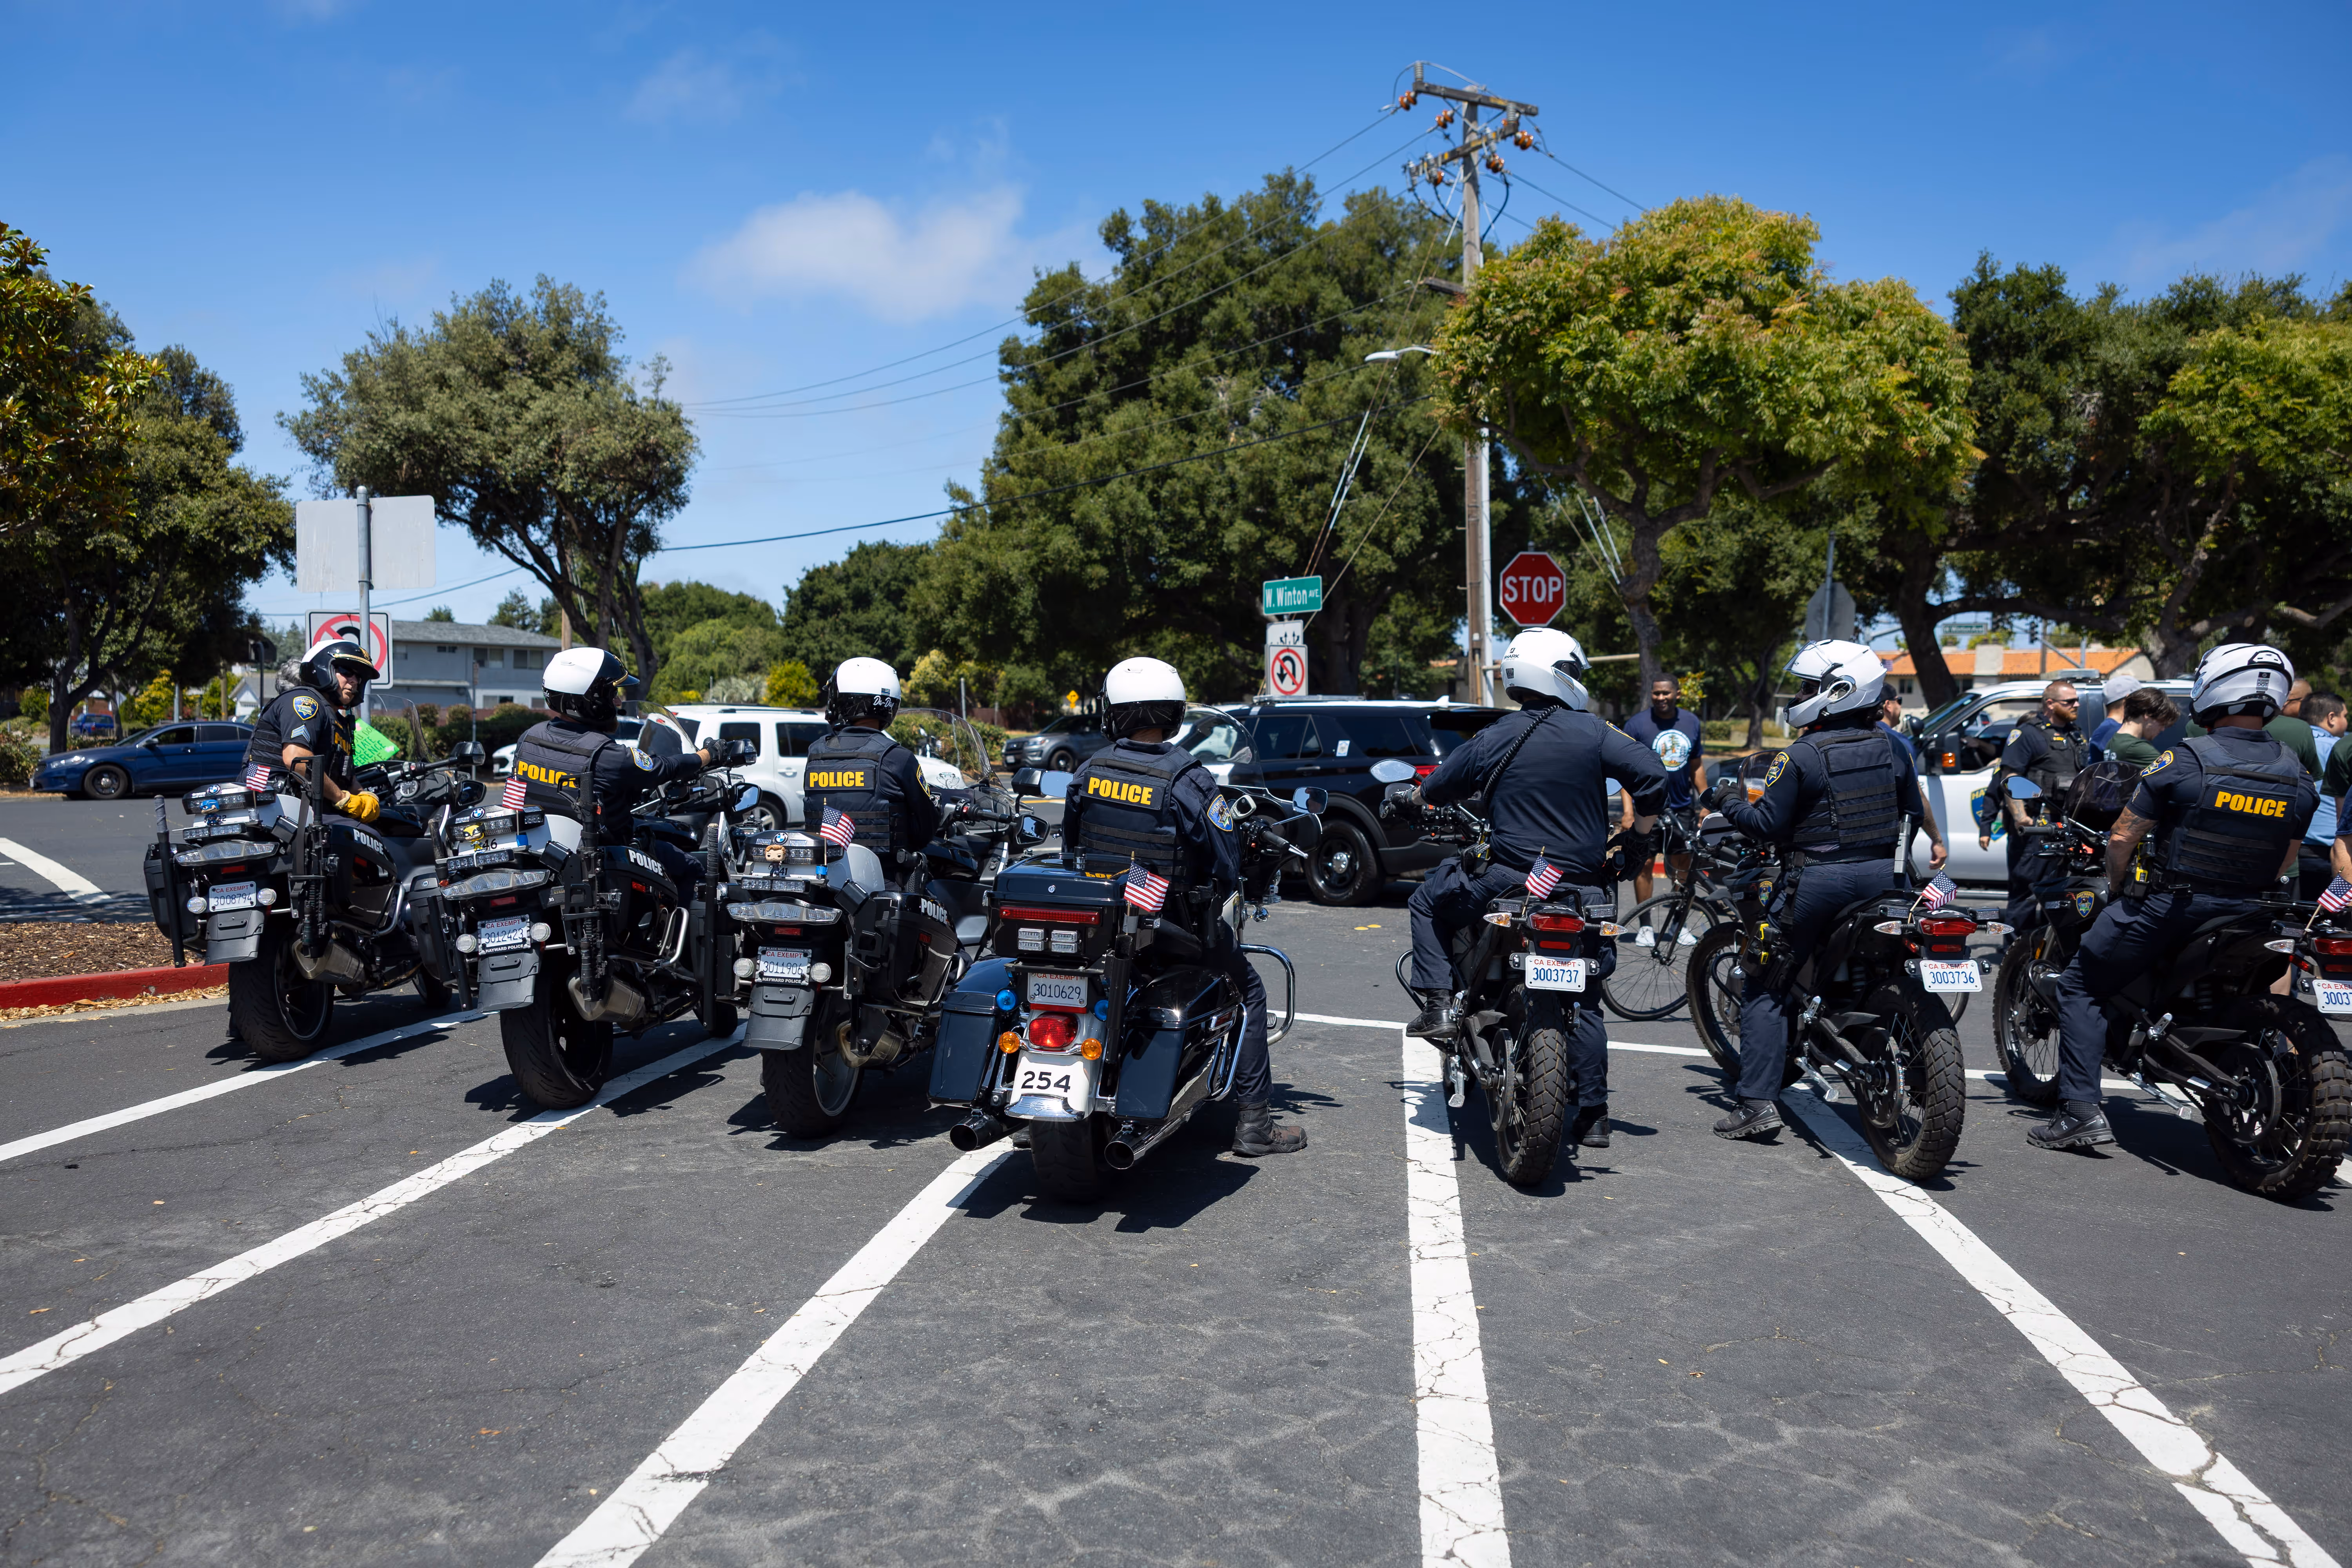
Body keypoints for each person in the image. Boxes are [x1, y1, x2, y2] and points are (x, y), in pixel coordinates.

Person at [2031, 643, 2313, 1151]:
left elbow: (2121, 838)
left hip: (2176, 908)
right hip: (2255, 913)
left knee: (2080, 986)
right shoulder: (2296, 773)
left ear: (2214, 690)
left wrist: (2119, 887)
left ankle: (2079, 1113)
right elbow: (2283, 859)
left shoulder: (2185, 760)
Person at [1405, 628, 1668, 1150]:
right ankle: (1594, 1115)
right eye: (1572, 671)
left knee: (1425, 899)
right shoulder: (1596, 733)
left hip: (1510, 881)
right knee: (1587, 1000)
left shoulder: (1498, 735)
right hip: (1585, 891)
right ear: (1557, 674)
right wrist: (1637, 839)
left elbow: (1436, 788)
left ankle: (1439, 1004)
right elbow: (1654, 777)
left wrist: (1411, 800)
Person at [1704, 639, 1946, 1141]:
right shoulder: (1894, 748)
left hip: (1820, 881)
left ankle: (1756, 1104)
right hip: (1888, 879)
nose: (1800, 694)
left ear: (1839, 690)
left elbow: (1764, 824)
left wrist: (1726, 799)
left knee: (1765, 980)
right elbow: (1911, 815)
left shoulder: (1800, 756)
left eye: (1808, 687)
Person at [1062, 657, 1304, 1157]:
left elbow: (1071, 849)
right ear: (1172, 714)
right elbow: (1226, 859)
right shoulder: (1186, 777)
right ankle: (1255, 1123)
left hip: (1098, 924)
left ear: (1116, 713)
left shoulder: (1090, 770)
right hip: (1168, 929)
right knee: (1251, 990)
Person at [509, 647, 725, 896]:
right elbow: (665, 767)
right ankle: (681, 935)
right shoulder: (607, 755)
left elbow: (515, 799)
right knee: (691, 869)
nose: (619, 702)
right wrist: (708, 755)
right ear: (591, 700)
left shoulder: (529, 739)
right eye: (613, 694)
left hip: (540, 855)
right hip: (601, 857)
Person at [802, 658, 940, 860]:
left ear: (845, 700)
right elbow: (926, 828)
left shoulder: (816, 753)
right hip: (885, 881)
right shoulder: (898, 757)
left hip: (825, 876)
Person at [1982, 680, 2089, 933]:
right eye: (2069, 702)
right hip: (2036, 828)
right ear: (2050, 704)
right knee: (2026, 891)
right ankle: (2017, 953)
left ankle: (2051, 950)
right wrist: (2021, 818)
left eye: (2076, 701)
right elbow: (2010, 778)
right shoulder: (2027, 734)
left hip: (2066, 826)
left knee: (2064, 892)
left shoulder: (2076, 734)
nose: (2076, 705)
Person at [241, 635, 382, 823]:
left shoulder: (339, 721)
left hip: (305, 806)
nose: (355, 681)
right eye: (347, 672)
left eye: (359, 676)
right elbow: (298, 760)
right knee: (364, 838)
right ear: (324, 669)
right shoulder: (306, 702)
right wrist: (343, 799)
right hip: (272, 804)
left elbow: (345, 776)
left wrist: (364, 797)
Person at [1619, 676, 1708, 944]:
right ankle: (1645, 927)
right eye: (1656, 694)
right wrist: (1628, 812)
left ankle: (1678, 926)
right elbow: (1626, 772)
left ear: (1677, 694)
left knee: (1682, 869)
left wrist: (1705, 804)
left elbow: (1696, 766)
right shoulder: (1636, 725)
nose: (1661, 698)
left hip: (1682, 809)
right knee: (1644, 864)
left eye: (1666, 693)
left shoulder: (1691, 722)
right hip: (1647, 808)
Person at [2297, 691, 2344, 899]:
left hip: (2294, 851)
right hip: (2332, 853)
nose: (2346, 722)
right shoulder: (2340, 749)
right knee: (2334, 920)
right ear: (2331, 718)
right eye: (2346, 716)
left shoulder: (2291, 745)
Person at [2103, 688, 2176, 772]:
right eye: (2162, 722)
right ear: (2148, 715)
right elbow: (2171, 776)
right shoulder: (2138, 749)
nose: (2163, 729)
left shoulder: (2112, 743)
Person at [2086, 673, 2143, 760]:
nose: (2146, 705)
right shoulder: (2117, 732)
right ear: (2128, 700)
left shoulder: (2105, 730)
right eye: (2142, 699)